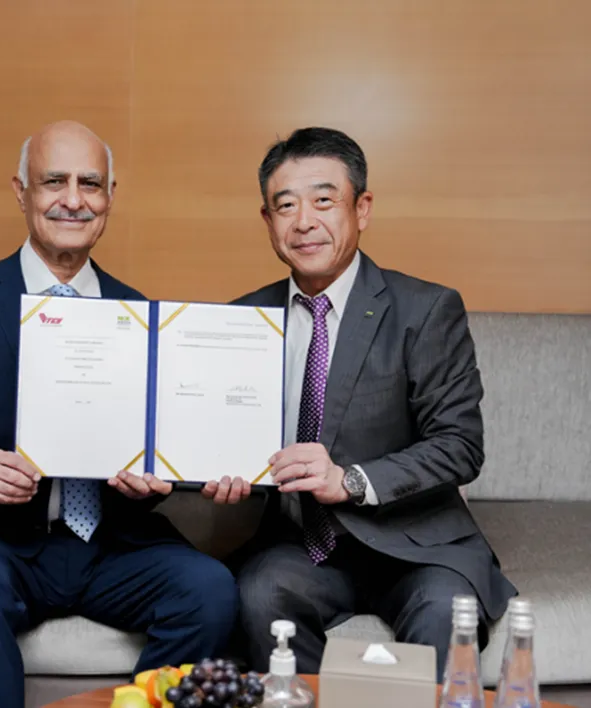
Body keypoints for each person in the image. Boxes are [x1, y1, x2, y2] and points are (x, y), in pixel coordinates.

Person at [0, 120, 238, 707]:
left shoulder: (140, 313)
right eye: (53, 181)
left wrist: (152, 479)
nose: (73, 199)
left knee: (210, 590)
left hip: (113, 542)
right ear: (21, 191)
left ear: (110, 196)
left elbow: (157, 443)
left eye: (90, 183)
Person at [203, 126, 516, 677]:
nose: (304, 221)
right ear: (267, 220)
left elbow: (459, 446)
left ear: (362, 208)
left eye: (324, 201)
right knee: (259, 594)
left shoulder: (425, 309)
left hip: (417, 544)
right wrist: (208, 471)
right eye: (286, 206)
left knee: (446, 610)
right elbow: (215, 435)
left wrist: (348, 480)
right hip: (303, 546)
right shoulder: (242, 321)